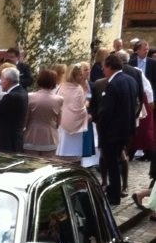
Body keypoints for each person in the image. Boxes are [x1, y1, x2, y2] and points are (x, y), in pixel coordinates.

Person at [98, 53, 138, 206]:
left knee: (112, 163)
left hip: (112, 131)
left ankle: (114, 195)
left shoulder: (113, 84)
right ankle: (115, 190)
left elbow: (106, 111)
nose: (103, 71)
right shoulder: (131, 80)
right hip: (126, 129)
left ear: (109, 67)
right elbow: (136, 104)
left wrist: (101, 126)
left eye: (104, 68)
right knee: (116, 161)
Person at [23, 68, 63, 157]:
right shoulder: (59, 99)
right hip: (50, 139)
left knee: (30, 167)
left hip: (31, 137)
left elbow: (25, 120)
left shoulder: (30, 97)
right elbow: (58, 123)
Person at [0, 66, 28, 152]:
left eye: (1, 79)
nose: (0, 83)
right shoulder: (22, 92)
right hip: (14, 139)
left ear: (8, 80)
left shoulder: (12, 96)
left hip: (7, 143)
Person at [55, 64, 89, 162]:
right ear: (73, 76)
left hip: (62, 122)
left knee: (62, 151)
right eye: (79, 75)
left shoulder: (61, 87)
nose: (81, 77)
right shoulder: (78, 89)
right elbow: (79, 109)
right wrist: (85, 106)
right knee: (73, 154)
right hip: (74, 126)